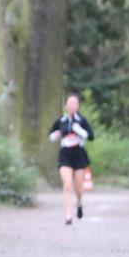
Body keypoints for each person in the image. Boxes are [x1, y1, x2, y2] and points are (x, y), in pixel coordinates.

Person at [48, 94, 95, 225]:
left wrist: (78, 129)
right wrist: (57, 134)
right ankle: (68, 214)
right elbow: (51, 136)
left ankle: (79, 203)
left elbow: (91, 136)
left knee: (78, 187)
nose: (72, 105)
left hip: (79, 154)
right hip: (65, 154)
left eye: (75, 103)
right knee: (67, 185)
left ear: (78, 105)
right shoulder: (61, 121)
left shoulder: (82, 121)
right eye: (70, 103)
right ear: (66, 105)